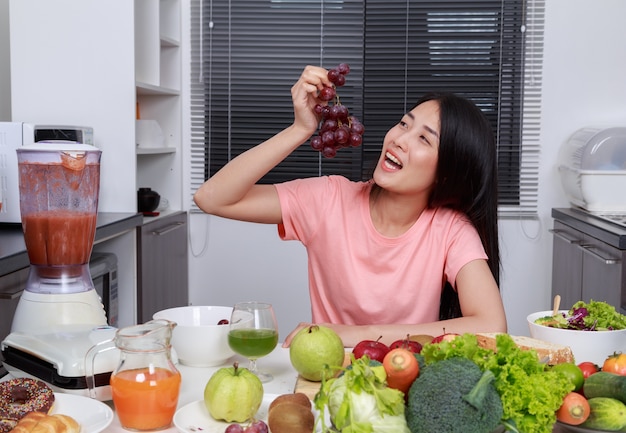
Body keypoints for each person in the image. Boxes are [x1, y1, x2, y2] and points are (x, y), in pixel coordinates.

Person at [193, 65, 507, 347]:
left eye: (424, 139)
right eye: (403, 124)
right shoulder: (329, 199)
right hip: (328, 377)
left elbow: (492, 326)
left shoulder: (450, 230)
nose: (399, 138)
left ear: (448, 172)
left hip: (408, 382)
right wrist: (301, 129)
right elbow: (212, 198)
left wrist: (350, 334)